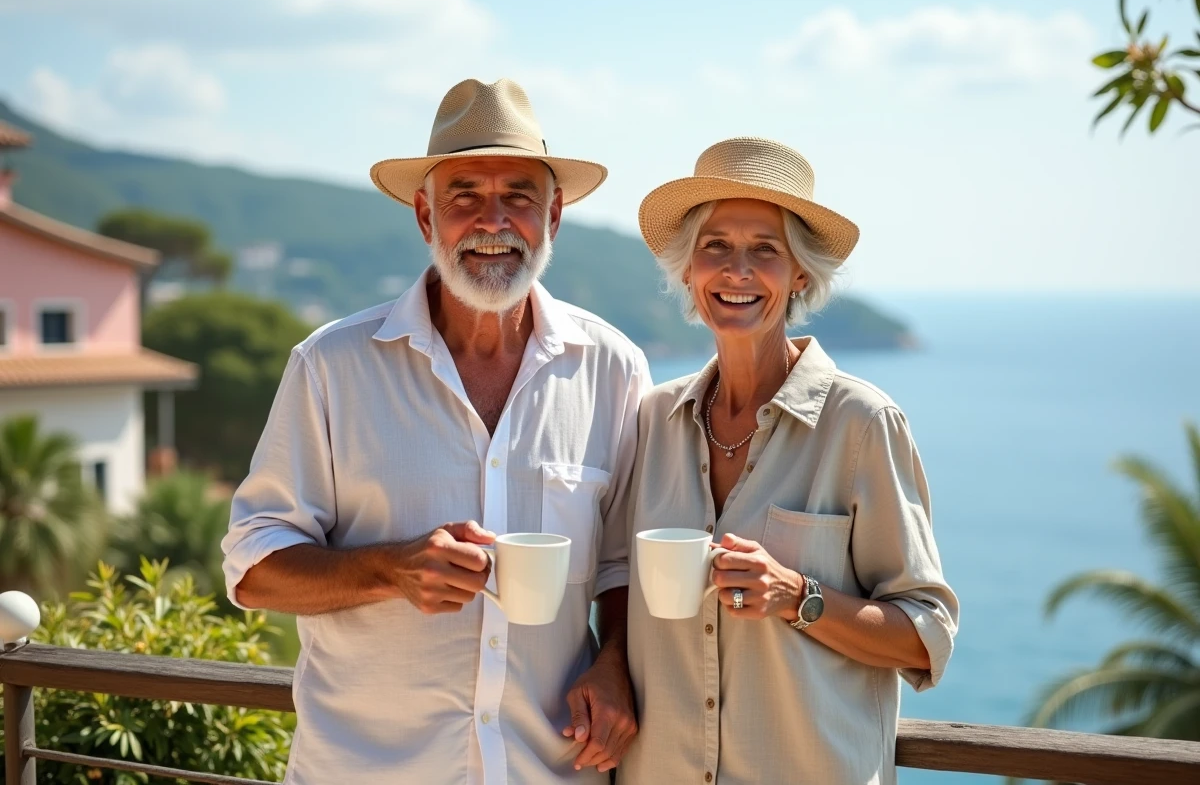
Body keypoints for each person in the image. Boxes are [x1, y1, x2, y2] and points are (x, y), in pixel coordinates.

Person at [221, 78, 649, 784]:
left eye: (518, 195)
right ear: (425, 215)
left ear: (555, 215)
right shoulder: (331, 365)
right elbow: (255, 570)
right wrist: (387, 569)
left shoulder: (614, 369)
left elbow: (626, 563)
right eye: (464, 197)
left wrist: (614, 662)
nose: (493, 221)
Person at [618, 137, 959, 784]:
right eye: (715, 245)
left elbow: (926, 634)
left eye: (764, 251)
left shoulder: (862, 423)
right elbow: (611, 583)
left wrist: (797, 596)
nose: (737, 270)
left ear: (800, 274)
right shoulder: (652, 421)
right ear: (689, 268)